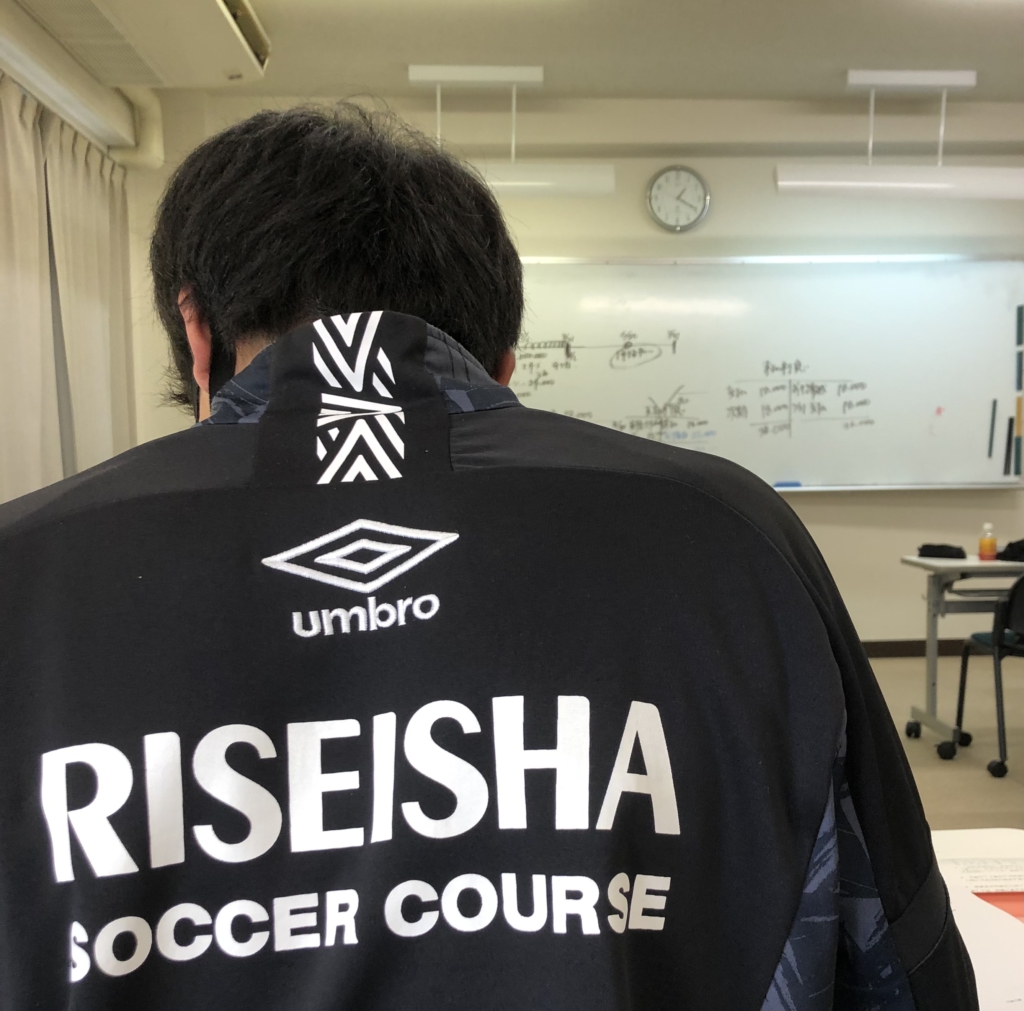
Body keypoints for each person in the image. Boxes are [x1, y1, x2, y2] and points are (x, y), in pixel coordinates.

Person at [0, 105, 976, 1011]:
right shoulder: (729, 537)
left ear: (195, 335)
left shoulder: (26, 572)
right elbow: (897, 952)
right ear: (503, 364)